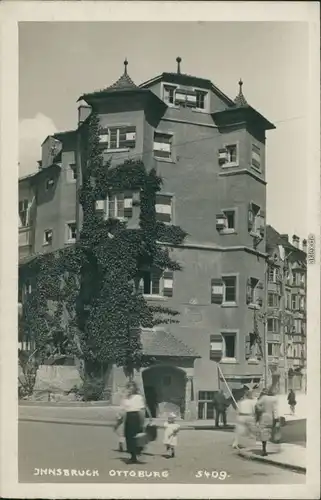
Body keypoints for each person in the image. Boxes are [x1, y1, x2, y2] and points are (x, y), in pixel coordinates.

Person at [120, 381, 146, 464]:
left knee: (137, 437)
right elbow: (123, 410)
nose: (130, 389)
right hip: (128, 417)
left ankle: (137, 453)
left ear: (135, 388)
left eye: (132, 387)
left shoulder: (138, 397)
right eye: (129, 387)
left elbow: (142, 410)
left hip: (136, 417)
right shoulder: (125, 399)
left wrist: (142, 422)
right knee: (128, 437)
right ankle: (133, 456)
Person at [255, 386, 279, 456]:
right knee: (269, 432)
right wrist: (276, 419)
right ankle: (271, 445)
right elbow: (275, 410)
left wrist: (261, 409)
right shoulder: (274, 399)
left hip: (264, 416)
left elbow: (257, 405)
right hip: (270, 417)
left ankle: (264, 449)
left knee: (263, 432)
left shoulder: (264, 398)